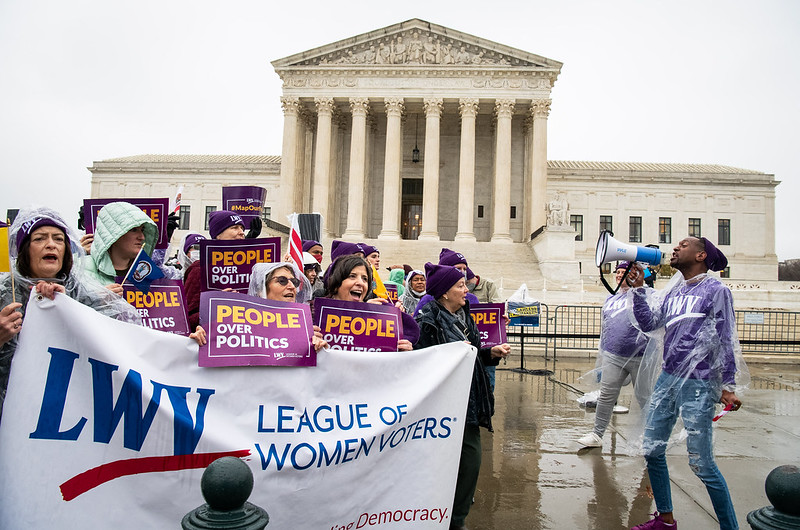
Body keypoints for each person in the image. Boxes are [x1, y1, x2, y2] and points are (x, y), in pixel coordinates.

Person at [629, 237, 748, 530]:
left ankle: (729, 526)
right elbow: (650, 324)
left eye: (683, 245)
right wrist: (640, 291)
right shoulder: (674, 292)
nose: (675, 248)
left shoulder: (716, 290)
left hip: (700, 383)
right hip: (668, 378)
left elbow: (726, 337)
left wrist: (728, 385)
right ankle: (666, 520)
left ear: (701, 255)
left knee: (702, 464)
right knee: (653, 449)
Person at [1, 207, 143, 421]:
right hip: (11, 417)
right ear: (24, 250)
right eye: (40, 238)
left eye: (58, 239)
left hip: (66, 417)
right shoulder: (4, 292)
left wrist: (185, 346)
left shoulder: (82, 293)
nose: (51, 244)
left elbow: (132, 340)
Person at [414, 262, 511, 530]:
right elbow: (422, 362)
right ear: (444, 292)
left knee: (471, 461)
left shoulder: (465, 314)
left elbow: (473, 353)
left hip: (468, 399)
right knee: (443, 462)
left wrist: (491, 353)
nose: (466, 289)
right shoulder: (428, 320)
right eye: (460, 285)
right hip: (441, 404)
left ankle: (457, 518)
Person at [578, 261, 650, 448]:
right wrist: (602, 355)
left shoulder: (648, 295)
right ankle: (597, 434)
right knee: (606, 396)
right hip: (613, 356)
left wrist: (639, 289)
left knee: (645, 398)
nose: (618, 275)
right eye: (617, 272)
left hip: (640, 357)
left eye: (623, 272)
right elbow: (606, 329)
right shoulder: (611, 300)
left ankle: (649, 435)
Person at [321, 255, 415, 350]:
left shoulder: (376, 318)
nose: (360, 283)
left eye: (365, 279)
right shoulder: (314, 316)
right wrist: (309, 342)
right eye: (352, 276)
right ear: (336, 283)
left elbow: (412, 332)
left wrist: (404, 353)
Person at [79, 201, 159, 293]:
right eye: (134, 230)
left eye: (142, 230)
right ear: (114, 233)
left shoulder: (148, 272)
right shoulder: (81, 268)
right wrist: (97, 299)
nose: (142, 237)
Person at [185, 210, 245, 330]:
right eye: (234, 227)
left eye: (242, 228)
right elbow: (186, 318)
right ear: (218, 235)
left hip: (247, 341)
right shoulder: (200, 268)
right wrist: (218, 306)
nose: (241, 232)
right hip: (212, 341)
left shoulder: (251, 268)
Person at [248, 262, 327, 351]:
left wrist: (317, 348)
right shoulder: (245, 325)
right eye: (282, 281)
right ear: (261, 290)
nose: (292, 286)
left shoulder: (306, 325)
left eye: (294, 282)